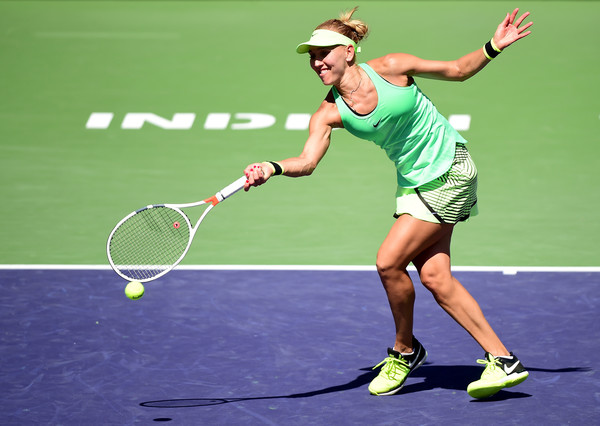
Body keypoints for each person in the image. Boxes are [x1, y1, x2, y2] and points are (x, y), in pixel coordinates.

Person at [243, 6, 533, 399]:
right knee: (434, 278)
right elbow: (307, 161)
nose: (316, 61)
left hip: (450, 168)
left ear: (349, 51)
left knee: (388, 261)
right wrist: (271, 167)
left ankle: (405, 351)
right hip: (413, 183)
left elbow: (458, 70)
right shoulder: (328, 113)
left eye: (324, 52)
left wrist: (493, 46)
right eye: (312, 55)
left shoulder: (393, 67)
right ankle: (503, 359)